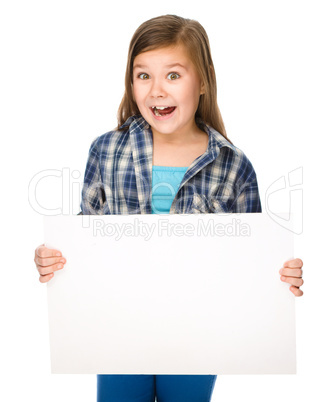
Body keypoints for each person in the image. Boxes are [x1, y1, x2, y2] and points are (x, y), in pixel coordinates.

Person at [34, 14, 304, 402]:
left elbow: (253, 261)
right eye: (144, 76)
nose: (156, 90)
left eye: (173, 75)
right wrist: (52, 257)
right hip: (117, 329)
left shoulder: (233, 165)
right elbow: (84, 236)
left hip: (197, 336)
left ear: (204, 80)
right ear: (131, 82)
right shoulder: (106, 151)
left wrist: (283, 275)